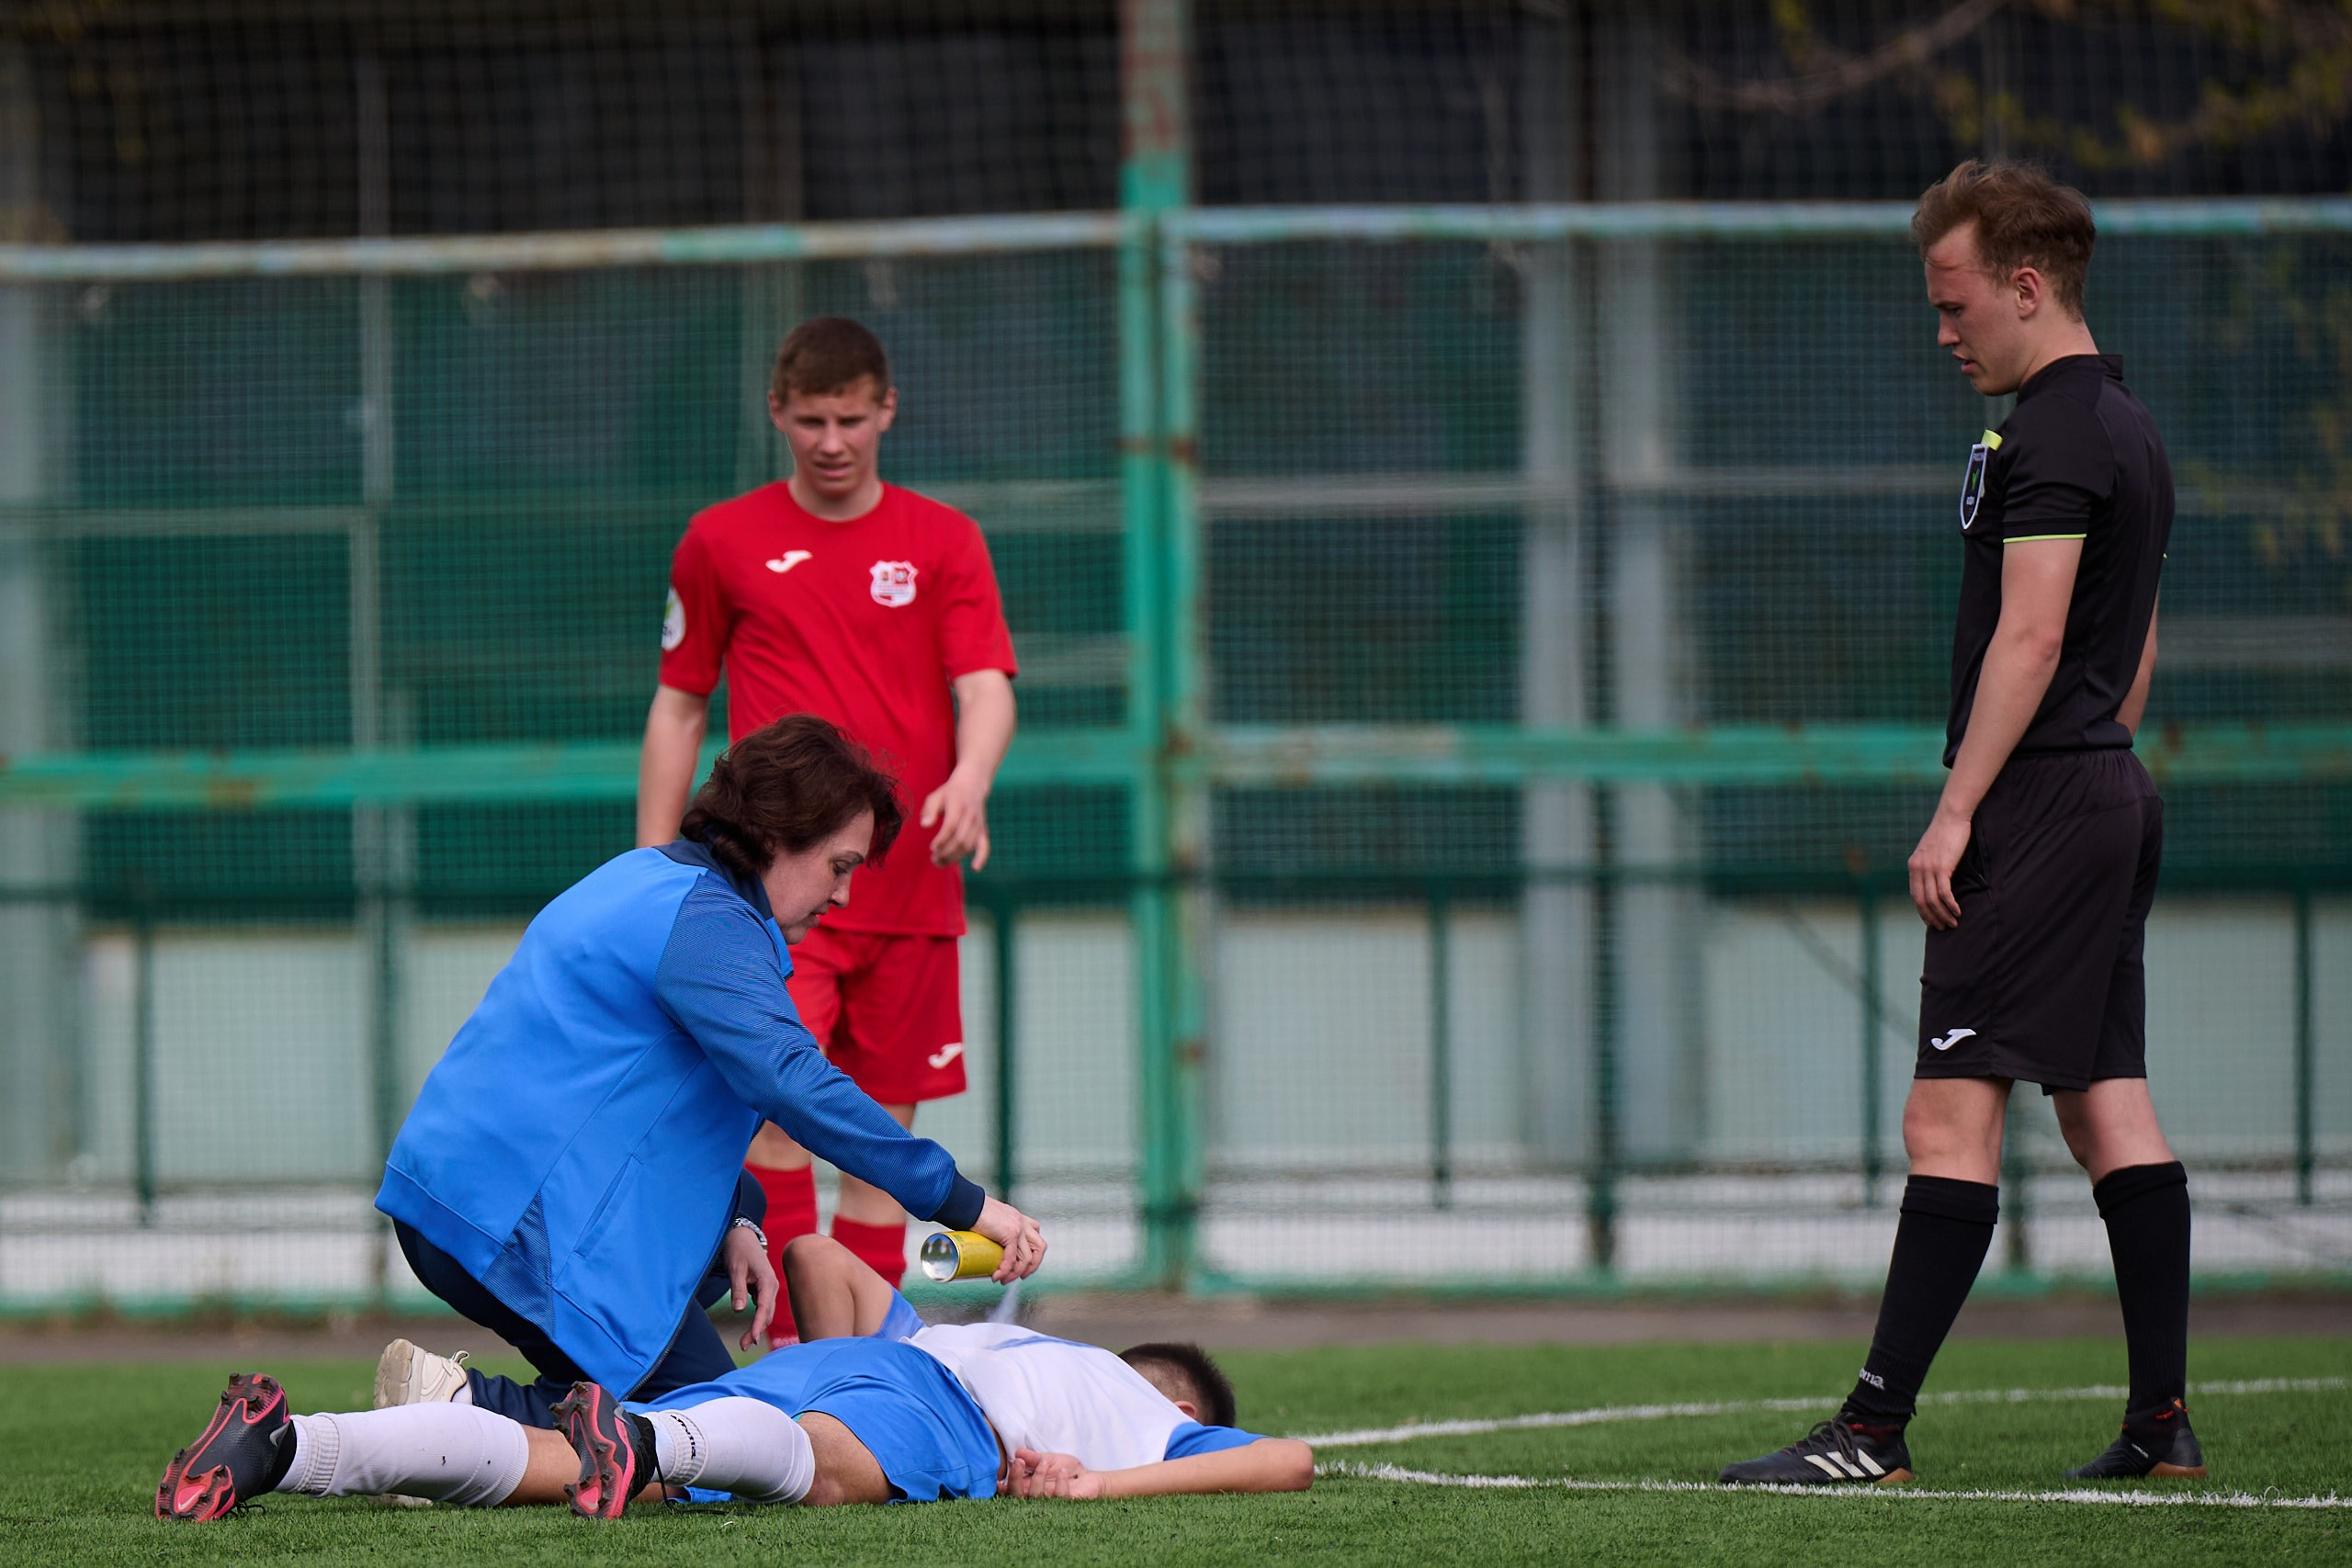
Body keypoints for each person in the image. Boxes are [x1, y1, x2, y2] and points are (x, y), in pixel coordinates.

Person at [1722, 160, 2193, 1487]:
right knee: (2108, 1109)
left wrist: (1963, 807)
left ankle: (1872, 1429)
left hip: (2042, 797)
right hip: (2102, 780)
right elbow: (2133, 632)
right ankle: (2161, 1421)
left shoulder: (2052, 431)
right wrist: (2102, 756)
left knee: (1947, 1120)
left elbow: (2036, 632)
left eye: (1954, 301)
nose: (1943, 331)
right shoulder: (2131, 424)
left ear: (2026, 287)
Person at [376, 714, 1044, 1429]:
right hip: (501, 1217)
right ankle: (455, 1410)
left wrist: (736, 1220)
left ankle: (478, 1407)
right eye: (840, 865)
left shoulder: (653, 878)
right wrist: (966, 1203)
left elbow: (636, 1116)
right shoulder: (709, 922)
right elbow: (792, 1080)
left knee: (712, 1377)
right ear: (777, 834)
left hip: (464, 1196)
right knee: (720, 1430)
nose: (843, 896)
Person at [639, 316, 1019, 1305]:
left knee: (880, 1138)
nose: (833, 440)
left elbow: (985, 686)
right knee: (772, 1116)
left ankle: (864, 1366)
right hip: (774, 892)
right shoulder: (720, 541)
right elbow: (681, 704)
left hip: (910, 888)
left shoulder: (945, 540)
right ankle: (792, 1361)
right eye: (811, 419)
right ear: (778, 414)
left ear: (887, 410)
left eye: (851, 417)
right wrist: (653, 866)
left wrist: (971, 776)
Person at [155, 1306, 1309, 1520]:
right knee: (821, 1469)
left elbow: (847, 1279)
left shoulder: (1006, 1333)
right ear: (1176, 1397)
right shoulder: (1148, 1411)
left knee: (567, 1463)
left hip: (842, 1357)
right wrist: (1101, 1482)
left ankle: (285, 1448)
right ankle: (650, 1440)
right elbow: (1286, 1461)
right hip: (924, 1403)